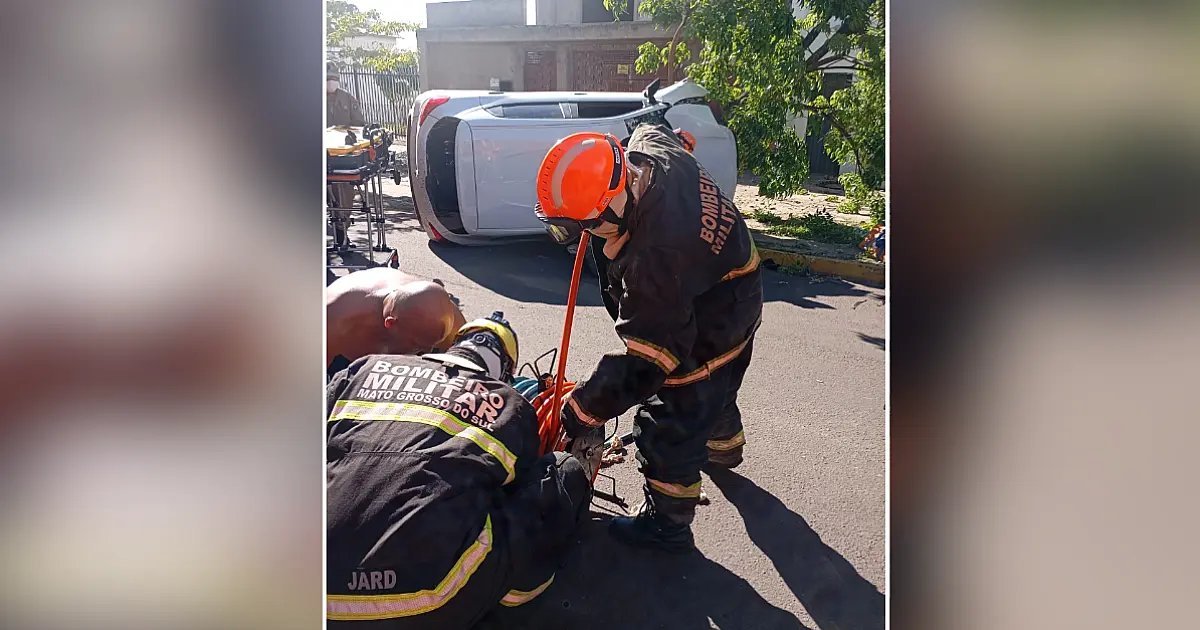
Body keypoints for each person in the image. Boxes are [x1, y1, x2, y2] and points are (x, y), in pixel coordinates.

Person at [534, 123, 763, 552]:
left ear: (610, 208)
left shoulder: (657, 259)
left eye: (581, 225)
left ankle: (668, 525)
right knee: (717, 388)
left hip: (711, 323)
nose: (581, 235)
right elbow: (654, 127)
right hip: (738, 287)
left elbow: (646, 364)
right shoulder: (649, 151)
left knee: (670, 419)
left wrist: (582, 410)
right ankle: (723, 449)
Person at [326, 313, 593, 628]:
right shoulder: (510, 404)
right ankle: (505, 607)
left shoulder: (362, 369)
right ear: (505, 371)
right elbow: (517, 484)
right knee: (561, 472)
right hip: (422, 598)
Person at [326, 268, 466, 379]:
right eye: (416, 345)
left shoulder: (446, 316)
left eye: (433, 345)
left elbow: (467, 375)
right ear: (391, 323)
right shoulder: (334, 319)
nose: (427, 352)